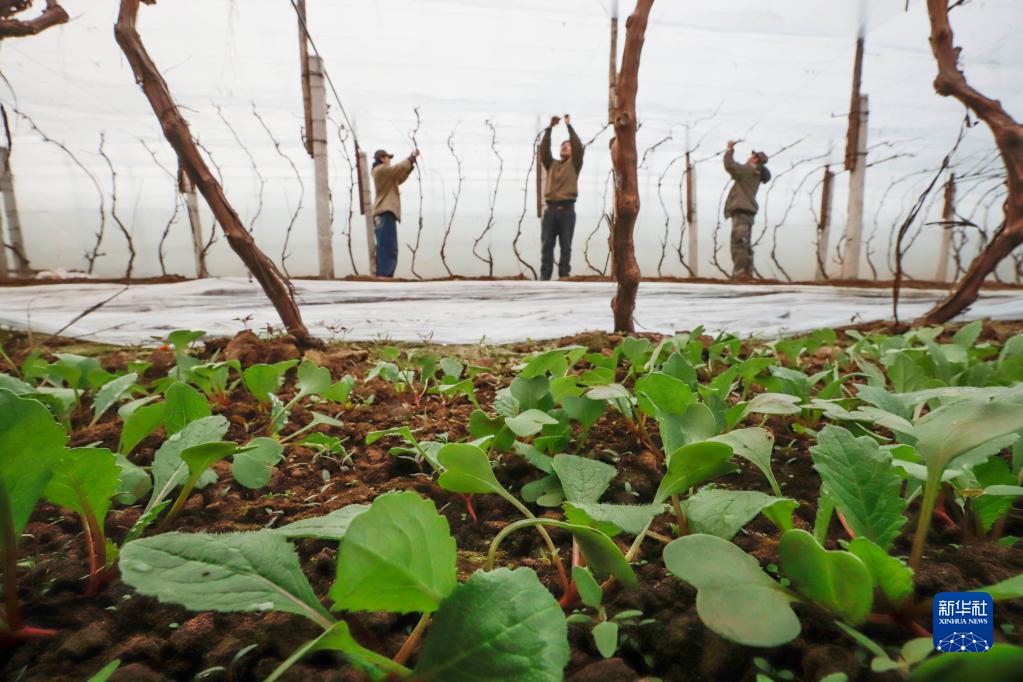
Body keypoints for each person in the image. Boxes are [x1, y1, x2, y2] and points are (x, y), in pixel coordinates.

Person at [539, 114, 584, 280]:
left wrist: (568, 126)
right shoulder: (551, 164)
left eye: (568, 146)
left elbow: (578, 147)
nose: (565, 147)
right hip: (550, 211)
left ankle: (564, 276)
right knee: (547, 246)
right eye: (562, 145)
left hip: (567, 211)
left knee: (566, 247)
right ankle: (545, 277)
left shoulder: (574, 164)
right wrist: (549, 129)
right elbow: (544, 150)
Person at [723, 140, 771, 279]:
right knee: (745, 244)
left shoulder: (748, 170)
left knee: (738, 243)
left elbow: (730, 165)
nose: (749, 157)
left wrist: (730, 149)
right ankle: (747, 273)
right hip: (748, 213)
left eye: (752, 155)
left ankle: (740, 274)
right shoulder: (756, 174)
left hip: (741, 211)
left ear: (755, 158)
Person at [371, 148, 420, 277]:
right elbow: (398, 169)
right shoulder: (380, 170)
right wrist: (411, 158)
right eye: (388, 157)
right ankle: (385, 276)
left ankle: (384, 274)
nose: (390, 160)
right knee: (387, 246)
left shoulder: (385, 174)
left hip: (385, 213)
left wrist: (410, 166)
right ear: (382, 158)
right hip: (384, 212)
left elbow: (399, 177)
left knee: (387, 245)